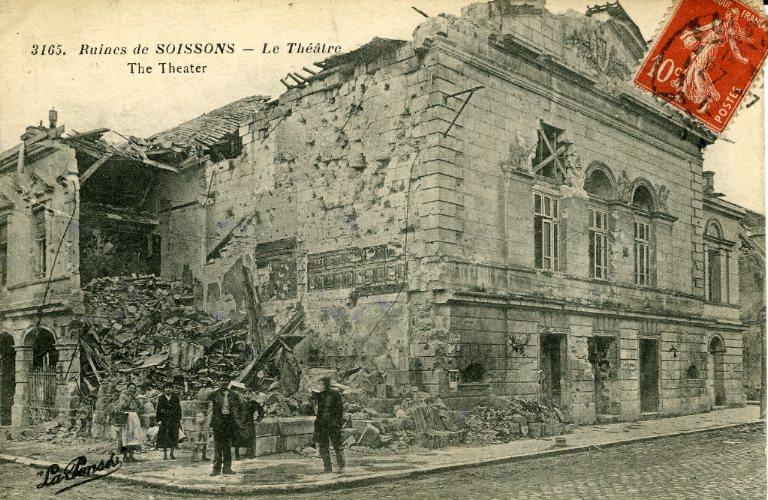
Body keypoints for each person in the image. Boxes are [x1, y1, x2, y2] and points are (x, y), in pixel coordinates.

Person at [672, 8, 751, 113]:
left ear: (732, 17)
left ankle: (705, 97)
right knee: (691, 68)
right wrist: (689, 33)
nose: (726, 14)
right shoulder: (718, 22)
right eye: (727, 12)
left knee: (698, 72)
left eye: (729, 13)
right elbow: (703, 28)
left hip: (709, 51)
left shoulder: (730, 30)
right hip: (702, 46)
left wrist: (741, 58)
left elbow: (734, 47)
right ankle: (682, 91)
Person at [312, 376, 345, 474]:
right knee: (323, 447)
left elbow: (340, 411)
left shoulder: (335, 394)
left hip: (333, 424)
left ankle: (341, 466)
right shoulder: (319, 395)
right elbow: (316, 410)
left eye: (320, 384)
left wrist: (337, 424)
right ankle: (327, 467)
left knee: (337, 446)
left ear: (326, 385)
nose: (319, 386)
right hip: (322, 425)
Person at [207, 380, 241, 476]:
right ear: (218, 383)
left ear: (228, 383)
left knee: (227, 446)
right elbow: (209, 409)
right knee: (218, 446)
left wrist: (237, 420)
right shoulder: (214, 394)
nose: (223, 383)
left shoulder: (233, 394)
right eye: (221, 381)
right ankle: (216, 469)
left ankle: (227, 468)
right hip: (218, 422)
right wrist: (210, 424)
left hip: (229, 422)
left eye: (225, 381)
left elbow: (239, 408)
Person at [230, 382, 265, 460]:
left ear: (251, 394)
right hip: (240, 423)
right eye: (246, 394)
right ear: (243, 395)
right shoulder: (239, 403)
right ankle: (237, 455)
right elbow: (234, 412)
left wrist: (258, 420)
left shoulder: (254, 403)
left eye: (249, 393)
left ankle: (250, 454)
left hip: (250, 423)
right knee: (237, 439)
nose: (247, 395)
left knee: (250, 438)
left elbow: (261, 411)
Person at [117, 382, 144, 462]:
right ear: (127, 388)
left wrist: (135, 399)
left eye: (134, 388)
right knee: (125, 436)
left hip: (134, 416)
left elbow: (140, 406)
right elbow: (122, 406)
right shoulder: (123, 396)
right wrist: (129, 398)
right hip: (126, 416)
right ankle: (125, 456)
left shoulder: (135, 397)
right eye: (131, 388)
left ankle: (131, 455)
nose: (132, 390)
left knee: (134, 435)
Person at [155, 382, 182, 460]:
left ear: (172, 389)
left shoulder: (175, 397)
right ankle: (165, 454)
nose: (168, 389)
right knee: (164, 436)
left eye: (169, 388)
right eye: (166, 388)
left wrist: (179, 418)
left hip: (173, 419)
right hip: (164, 419)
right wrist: (159, 419)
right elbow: (159, 409)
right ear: (164, 389)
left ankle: (172, 453)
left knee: (173, 435)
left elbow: (179, 409)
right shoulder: (161, 397)